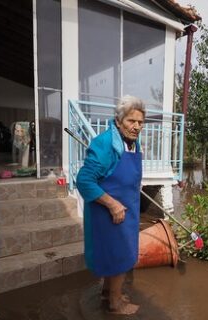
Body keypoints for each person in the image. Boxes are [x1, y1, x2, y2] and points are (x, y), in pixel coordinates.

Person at [76, 95, 145, 315]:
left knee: (117, 254)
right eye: (131, 121)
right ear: (118, 121)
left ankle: (108, 292)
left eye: (140, 122)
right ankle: (116, 304)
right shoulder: (105, 144)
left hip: (128, 209)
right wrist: (112, 204)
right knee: (119, 255)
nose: (136, 127)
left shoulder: (132, 143)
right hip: (110, 212)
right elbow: (84, 180)